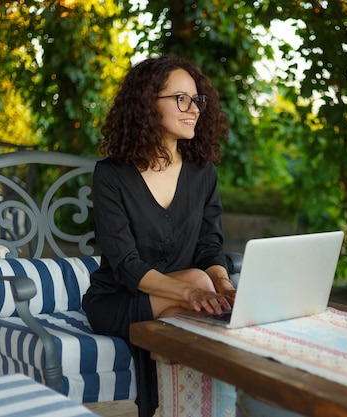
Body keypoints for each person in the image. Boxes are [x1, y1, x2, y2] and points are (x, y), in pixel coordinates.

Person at [82, 55, 235, 417]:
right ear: (148, 104)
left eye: (197, 99)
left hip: (184, 290)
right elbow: (126, 266)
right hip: (118, 298)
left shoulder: (203, 173)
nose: (194, 108)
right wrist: (195, 290)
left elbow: (209, 247)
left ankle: (171, 408)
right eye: (181, 98)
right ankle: (199, 407)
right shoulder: (112, 176)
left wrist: (223, 284)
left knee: (213, 295)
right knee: (204, 298)